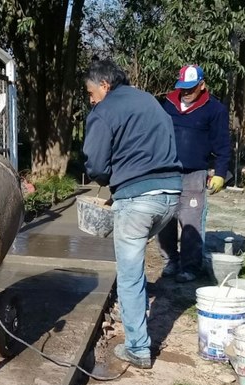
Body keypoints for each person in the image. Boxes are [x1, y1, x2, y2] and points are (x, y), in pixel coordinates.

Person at [82, 59, 182, 369]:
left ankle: (138, 348)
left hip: (137, 199)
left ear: (105, 86)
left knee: (129, 273)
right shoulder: (150, 100)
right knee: (134, 258)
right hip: (170, 196)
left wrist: (108, 180)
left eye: (90, 92)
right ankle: (135, 320)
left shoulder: (104, 111)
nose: (90, 99)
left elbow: (96, 165)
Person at [157, 64, 232, 283]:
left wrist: (220, 172)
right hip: (166, 170)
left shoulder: (214, 110)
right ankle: (170, 260)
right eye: (183, 88)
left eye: (191, 88)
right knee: (164, 219)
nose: (186, 93)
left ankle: (190, 267)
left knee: (190, 221)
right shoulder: (167, 105)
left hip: (194, 174)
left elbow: (223, 145)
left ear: (202, 85)